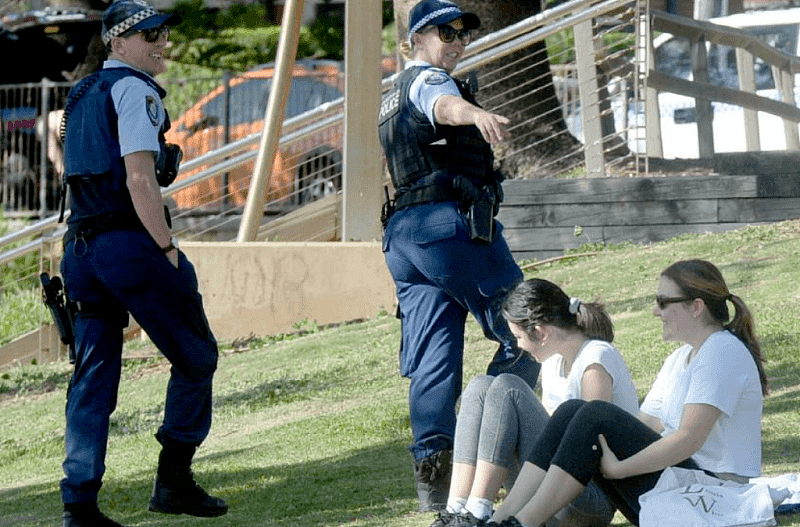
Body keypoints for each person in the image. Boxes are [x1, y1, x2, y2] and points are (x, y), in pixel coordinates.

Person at [58, 1, 228, 525]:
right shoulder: (134, 89)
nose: (161, 42)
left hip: (80, 249)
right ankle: (174, 482)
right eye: (147, 33)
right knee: (196, 357)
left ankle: (79, 504)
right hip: (127, 245)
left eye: (162, 33)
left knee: (92, 378)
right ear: (116, 41)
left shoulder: (82, 92)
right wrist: (166, 249)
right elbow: (138, 178)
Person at [378, 0, 541, 512]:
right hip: (448, 229)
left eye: (462, 34)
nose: (456, 41)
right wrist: (477, 114)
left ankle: (435, 480)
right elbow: (441, 105)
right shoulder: (428, 81)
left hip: (405, 238)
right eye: (443, 32)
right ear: (415, 42)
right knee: (529, 327)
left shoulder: (391, 95)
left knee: (433, 361)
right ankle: (493, 437)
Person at [487, 259, 769, 527]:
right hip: (678, 484)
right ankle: (501, 519)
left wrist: (621, 469)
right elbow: (645, 424)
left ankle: (524, 522)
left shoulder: (722, 351)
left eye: (663, 302)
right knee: (573, 411)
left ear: (696, 307)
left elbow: (688, 440)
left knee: (593, 413)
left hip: (711, 494)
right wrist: (598, 442)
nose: (655, 311)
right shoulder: (680, 358)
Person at [431, 278, 639, 527]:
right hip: (544, 489)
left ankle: (478, 511)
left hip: (587, 499)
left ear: (541, 333)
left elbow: (588, 449)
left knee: (509, 388)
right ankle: (457, 510)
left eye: (519, 336)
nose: (518, 344)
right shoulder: (553, 361)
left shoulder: (596, 359)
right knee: (480, 386)